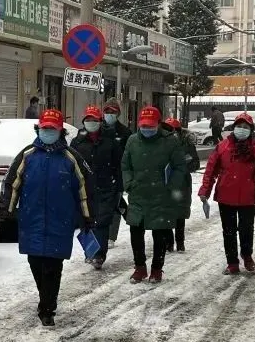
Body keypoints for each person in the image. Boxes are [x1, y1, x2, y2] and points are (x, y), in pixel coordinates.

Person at [0, 109, 95, 327]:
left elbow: (84, 189)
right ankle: (45, 298)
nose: (48, 132)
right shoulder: (27, 155)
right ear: (38, 129)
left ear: (60, 131)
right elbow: (12, 183)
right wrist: (7, 209)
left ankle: (48, 308)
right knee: (35, 262)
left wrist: (88, 216)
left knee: (53, 265)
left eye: (52, 129)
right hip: (31, 220)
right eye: (44, 128)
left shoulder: (71, 158)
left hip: (60, 222)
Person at [198, 112, 255, 275]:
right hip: (226, 197)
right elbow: (211, 171)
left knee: (247, 229)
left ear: (250, 130)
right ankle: (232, 262)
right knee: (229, 231)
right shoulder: (223, 147)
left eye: (245, 127)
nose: (241, 129)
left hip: (248, 198)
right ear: (234, 128)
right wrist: (205, 190)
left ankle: (247, 256)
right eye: (239, 126)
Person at [121, 106, 186, 284]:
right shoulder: (132, 141)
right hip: (138, 194)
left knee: (160, 233)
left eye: (150, 126)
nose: (147, 129)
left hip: (161, 195)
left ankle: (157, 269)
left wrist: (171, 185)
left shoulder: (170, 141)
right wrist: (129, 183)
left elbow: (180, 166)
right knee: (136, 231)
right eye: (144, 126)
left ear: (158, 124)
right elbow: (125, 166)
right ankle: (139, 267)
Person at [70, 105, 122, 269]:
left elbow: (118, 165)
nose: (91, 123)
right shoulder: (77, 141)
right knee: (86, 221)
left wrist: (119, 186)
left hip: (106, 187)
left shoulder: (110, 141)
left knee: (102, 222)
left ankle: (99, 255)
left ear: (100, 122)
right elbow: (72, 165)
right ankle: (90, 253)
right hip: (84, 189)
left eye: (94, 120)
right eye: (88, 120)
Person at [162, 117, 200, 253]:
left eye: (172, 131)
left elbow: (196, 163)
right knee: (165, 212)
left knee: (180, 213)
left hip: (182, 184)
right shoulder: (160, 145)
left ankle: (180, 242)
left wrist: (183, 166)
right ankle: (168, 242)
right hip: (165, 183)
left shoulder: (187, 145)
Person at [102, 99, 132, 247]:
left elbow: (129, 156)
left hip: (117, 174)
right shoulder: (97, 129)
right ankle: (129, 215)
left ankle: (110, 237)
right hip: (100, 175)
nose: (109, 114)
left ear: (118, 113)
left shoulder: (125, 133)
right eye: (107, 111)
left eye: (112, 112)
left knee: (114, 204)